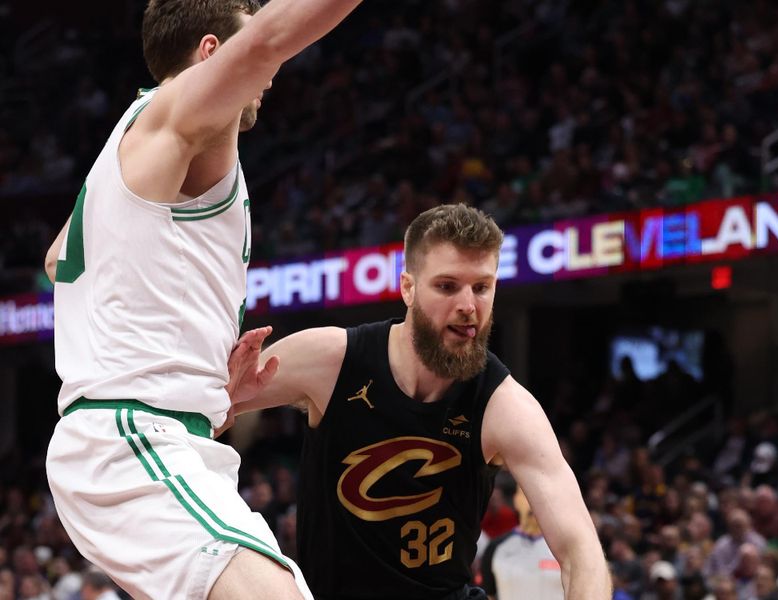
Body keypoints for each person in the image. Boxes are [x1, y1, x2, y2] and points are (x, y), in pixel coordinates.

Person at [42, 1, 362, 598]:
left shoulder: (135, 146)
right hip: (132, 440)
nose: (270, 80)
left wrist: (202, 362)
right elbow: (268, 42)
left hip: (150, 438)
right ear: (215, 54)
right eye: (250, 62)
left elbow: (58, 256)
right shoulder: (182, 118)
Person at [231, 204, 611, 599]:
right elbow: (203, 413)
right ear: (408, 288)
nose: (468, 305)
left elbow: (581, 551)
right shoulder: (330, 359)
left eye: (482, 287)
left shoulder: (505, 406)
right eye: (447, 286)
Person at [480, 479, 564, 600]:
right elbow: (489, 594)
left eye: (540, 494)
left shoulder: (567, 549)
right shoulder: (495, 548)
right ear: (516, 500)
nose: (533, 501)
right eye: (526, 493)